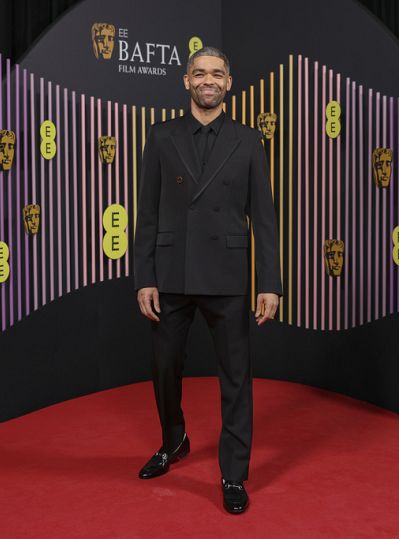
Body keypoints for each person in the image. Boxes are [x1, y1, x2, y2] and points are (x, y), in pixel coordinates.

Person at [133, 46, 281, 514]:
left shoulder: (249, 140)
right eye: (199, 73)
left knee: (236, 378)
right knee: (164, 368)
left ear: (229, 83)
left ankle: (233, 473)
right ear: (186, 81)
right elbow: (147, 213)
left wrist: (269, 283)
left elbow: (264, 217)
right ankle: (173, 440)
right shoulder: (160, 136)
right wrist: (144, 277)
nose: (208, 80)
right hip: (171, 273)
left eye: (217, 73)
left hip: (227, 275)